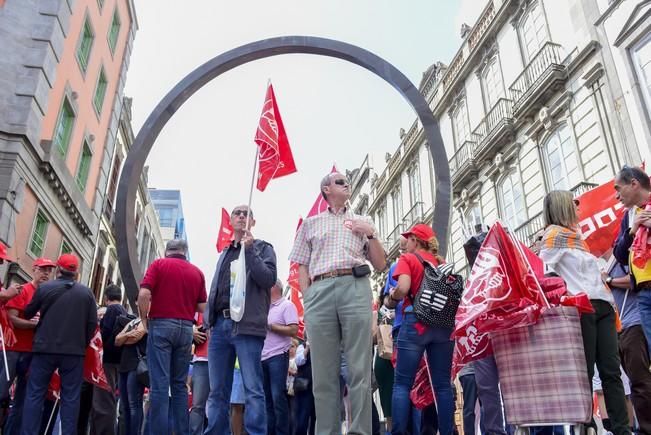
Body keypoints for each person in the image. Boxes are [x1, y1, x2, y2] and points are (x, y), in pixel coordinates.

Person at [289, 172, 386, 435]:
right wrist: (308, 299)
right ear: (326, 189)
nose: (347, 185)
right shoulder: (310, 224)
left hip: (354, 286)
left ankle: (360, 432)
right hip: (320, 291)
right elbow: (302, 266)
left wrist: (371, 234)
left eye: (347, 181)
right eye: (341, 181)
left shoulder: (362, 220)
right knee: (323, 374)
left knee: (359, 369)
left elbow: (380, 263)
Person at [539, 190, 630, 435]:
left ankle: (621, 429)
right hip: (581, 307)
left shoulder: (578, 238)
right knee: (585, 372)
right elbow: (544, 274)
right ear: (562, 208)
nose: (578, 208)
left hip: (603, 306)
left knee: (611, 371)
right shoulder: (552, 237)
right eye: (574, 204)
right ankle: (586, 426)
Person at [204, 205, 277, 435]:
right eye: (238, 213)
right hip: (220, 326)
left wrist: (250, 250)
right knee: (217, 390)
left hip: (247, 327)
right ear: (231, 221)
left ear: (253, 223)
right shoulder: (224, 253)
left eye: (247, 214)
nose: (242, 216)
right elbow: (216, 289)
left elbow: (267, 279)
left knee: (253, 389)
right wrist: (209, 321)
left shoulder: (263, 248)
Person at [385, 223, 454, 435]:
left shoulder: (408, 260)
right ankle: (447, 432)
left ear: (416, 240)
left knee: (402, 384)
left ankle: (398, 432)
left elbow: (403, 288)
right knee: (442, 385)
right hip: (443, 324)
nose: (405, 245)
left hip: (415, 322)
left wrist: (392, 297)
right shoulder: (442, 263)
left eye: (409, 239)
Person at [20, 254, 98, 435]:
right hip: (73, 352)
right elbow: (92, 324)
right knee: (71, 398)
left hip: (44, 348)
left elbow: (28, 313)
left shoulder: (45, 288)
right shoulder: (87, 294)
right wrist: (82, 342)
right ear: (76, 272)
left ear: (58, 270)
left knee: (35, 394)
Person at [138, 239, 207, 435]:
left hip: (161, 325)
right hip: (186, 329)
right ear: (185, 252)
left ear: (168, 251)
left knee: (159, 385)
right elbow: (203, 306)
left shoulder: (159, 264)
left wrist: (144, 319)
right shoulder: (197, 272)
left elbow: (144, 294)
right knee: (179, 386)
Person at [1, 257, 55, 435]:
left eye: (49, 270)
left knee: (23, 402)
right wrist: (36, 325)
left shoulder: (50, 296)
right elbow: (11, 318)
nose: (46, 273)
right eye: (43, 269)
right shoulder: (23, 290)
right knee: (1, 393)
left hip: (35, 353)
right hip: (13, 350)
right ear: (34, 270)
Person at [607, 261, 651, 434]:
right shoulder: (609, 262)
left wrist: (609, 279)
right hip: (621, 327)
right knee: (635, 382)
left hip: (635, 324)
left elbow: (636, 280)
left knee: (641, 381)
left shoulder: (623, 257)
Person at [613, 165, 651, 357]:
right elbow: (619, 254)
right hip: (644, 293)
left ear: (634, 184)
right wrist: (633, 230)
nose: (616, 197)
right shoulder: (629, 216)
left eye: (618, 189)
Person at [262, 279, 299, 435]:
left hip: (278, 355)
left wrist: (271, 326)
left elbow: (294, 330)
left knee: (278, 398)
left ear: (274, 287)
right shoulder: (264, 308)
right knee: (267, 400)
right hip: (262, 358)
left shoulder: (287, 305)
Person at [92, 285, 127, 435]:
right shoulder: (123, 311)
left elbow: (104, 333)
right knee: (110, 399)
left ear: (106, 298)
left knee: (103, 401)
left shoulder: (112, 310)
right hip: (119, 362)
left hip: (107, 361)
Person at [114, 313, 147, 435]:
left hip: (136, 365)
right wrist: (128, 334)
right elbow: (117, 340)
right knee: (125, 405)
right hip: (124, 365)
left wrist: (124, 338)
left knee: (134, 404)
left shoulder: (147, 320)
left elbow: (136, 338)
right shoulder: (133, 321)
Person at [189, 313, 209, 435]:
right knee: (198, 405)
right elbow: (187, 321)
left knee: (221, 403)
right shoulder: (200, 307)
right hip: (202, 359)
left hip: (223, 360)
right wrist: (192, 331)